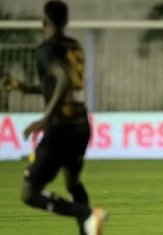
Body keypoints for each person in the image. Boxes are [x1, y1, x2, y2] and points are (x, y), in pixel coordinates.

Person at [1, 1, 107, 234]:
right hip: (81, 124)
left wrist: (44, 118)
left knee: (29, 193)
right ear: (66, 21)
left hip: (61, 128)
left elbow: (63, 80)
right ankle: (87, 228)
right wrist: (25, 88)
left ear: (44, 22)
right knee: (73, 183)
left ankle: (87, 214)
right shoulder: (74, 45)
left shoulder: (46, 49)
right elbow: (59, 85)